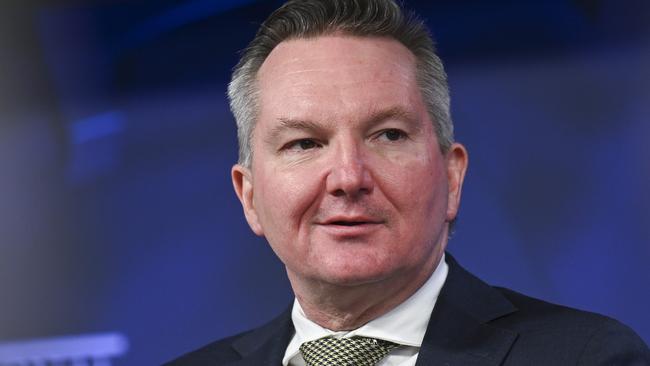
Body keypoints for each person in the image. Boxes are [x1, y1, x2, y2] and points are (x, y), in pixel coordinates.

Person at [168, 0, 650, 365]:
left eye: (388, 135)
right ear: (249, 196)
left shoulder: (588, 356)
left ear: (452, 176)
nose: (348, 177)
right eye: (304, 143)